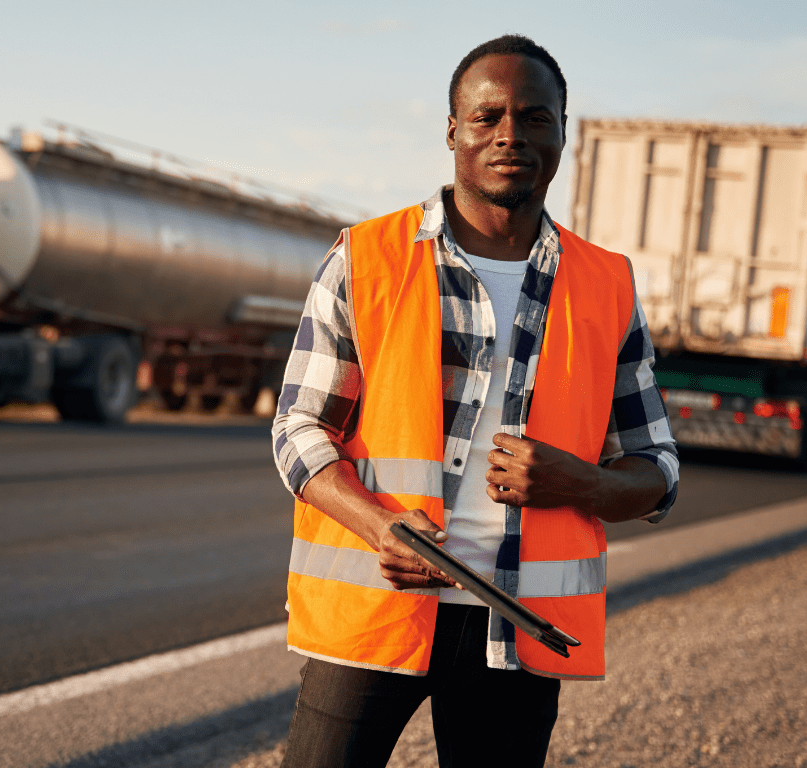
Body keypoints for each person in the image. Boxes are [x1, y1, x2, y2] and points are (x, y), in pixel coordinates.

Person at [271, 34, 679, 768]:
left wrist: (581, 482)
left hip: (516, 633)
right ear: (452, 131)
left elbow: (658, 469)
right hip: (376, 609)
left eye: (533, 117)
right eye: (487, 117)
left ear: (563, 133)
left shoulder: (606, 283)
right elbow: (299, 429)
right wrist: (377, 525)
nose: (510, 136)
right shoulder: (366, 257)